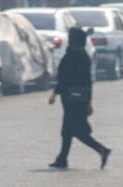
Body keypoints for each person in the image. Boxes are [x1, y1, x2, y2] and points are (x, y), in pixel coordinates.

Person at [48, 27, 111, 170]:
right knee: (67, 131)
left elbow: (64, 78)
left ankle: (101, 149)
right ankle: (62, 159)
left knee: (77, 131)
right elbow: (88, 82)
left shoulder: (71, 55)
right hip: (82, 99)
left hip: (70, 99)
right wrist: (89, 101)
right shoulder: (85, 56)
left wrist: (54, 93)